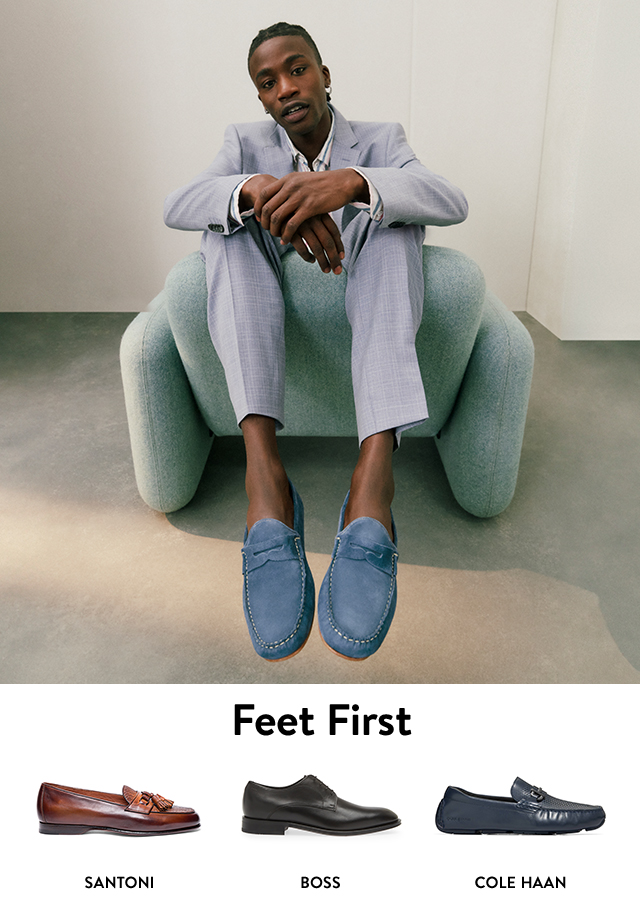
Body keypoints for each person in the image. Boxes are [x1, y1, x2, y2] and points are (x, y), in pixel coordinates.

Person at [164, 22, 468, 662]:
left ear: (325, 75)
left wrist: (356, 183)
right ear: (262, 100)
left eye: (297, 70)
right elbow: (180, 202)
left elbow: (450, 199)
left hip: (363, 261)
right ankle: (264, 476)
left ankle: (374, 474)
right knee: (223, 229)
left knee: (396, 222)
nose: (286, 89)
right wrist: (257, 190)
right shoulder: (245, 143)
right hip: (266, 262)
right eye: (267, 83)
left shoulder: (382, 139)